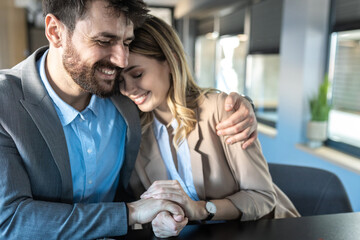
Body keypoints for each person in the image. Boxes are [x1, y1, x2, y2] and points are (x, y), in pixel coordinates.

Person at [0, 0, 258, 239]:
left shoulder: (120, 97)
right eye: (104, 41)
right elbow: (9, 220)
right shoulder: (4, 105)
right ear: (55, 31)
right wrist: (131, 213)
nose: (121, 60)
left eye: (126, 41)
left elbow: (176, 99)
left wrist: (242, 106)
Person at [120, 16, 301, 238]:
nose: (129, 89)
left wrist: (201, 209)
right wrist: (160, 220)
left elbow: (262, 197)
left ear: (171, 61)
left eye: (137, 74)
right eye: (121, 80)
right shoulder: (138, 135)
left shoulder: (221, 110)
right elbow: (143, 211)